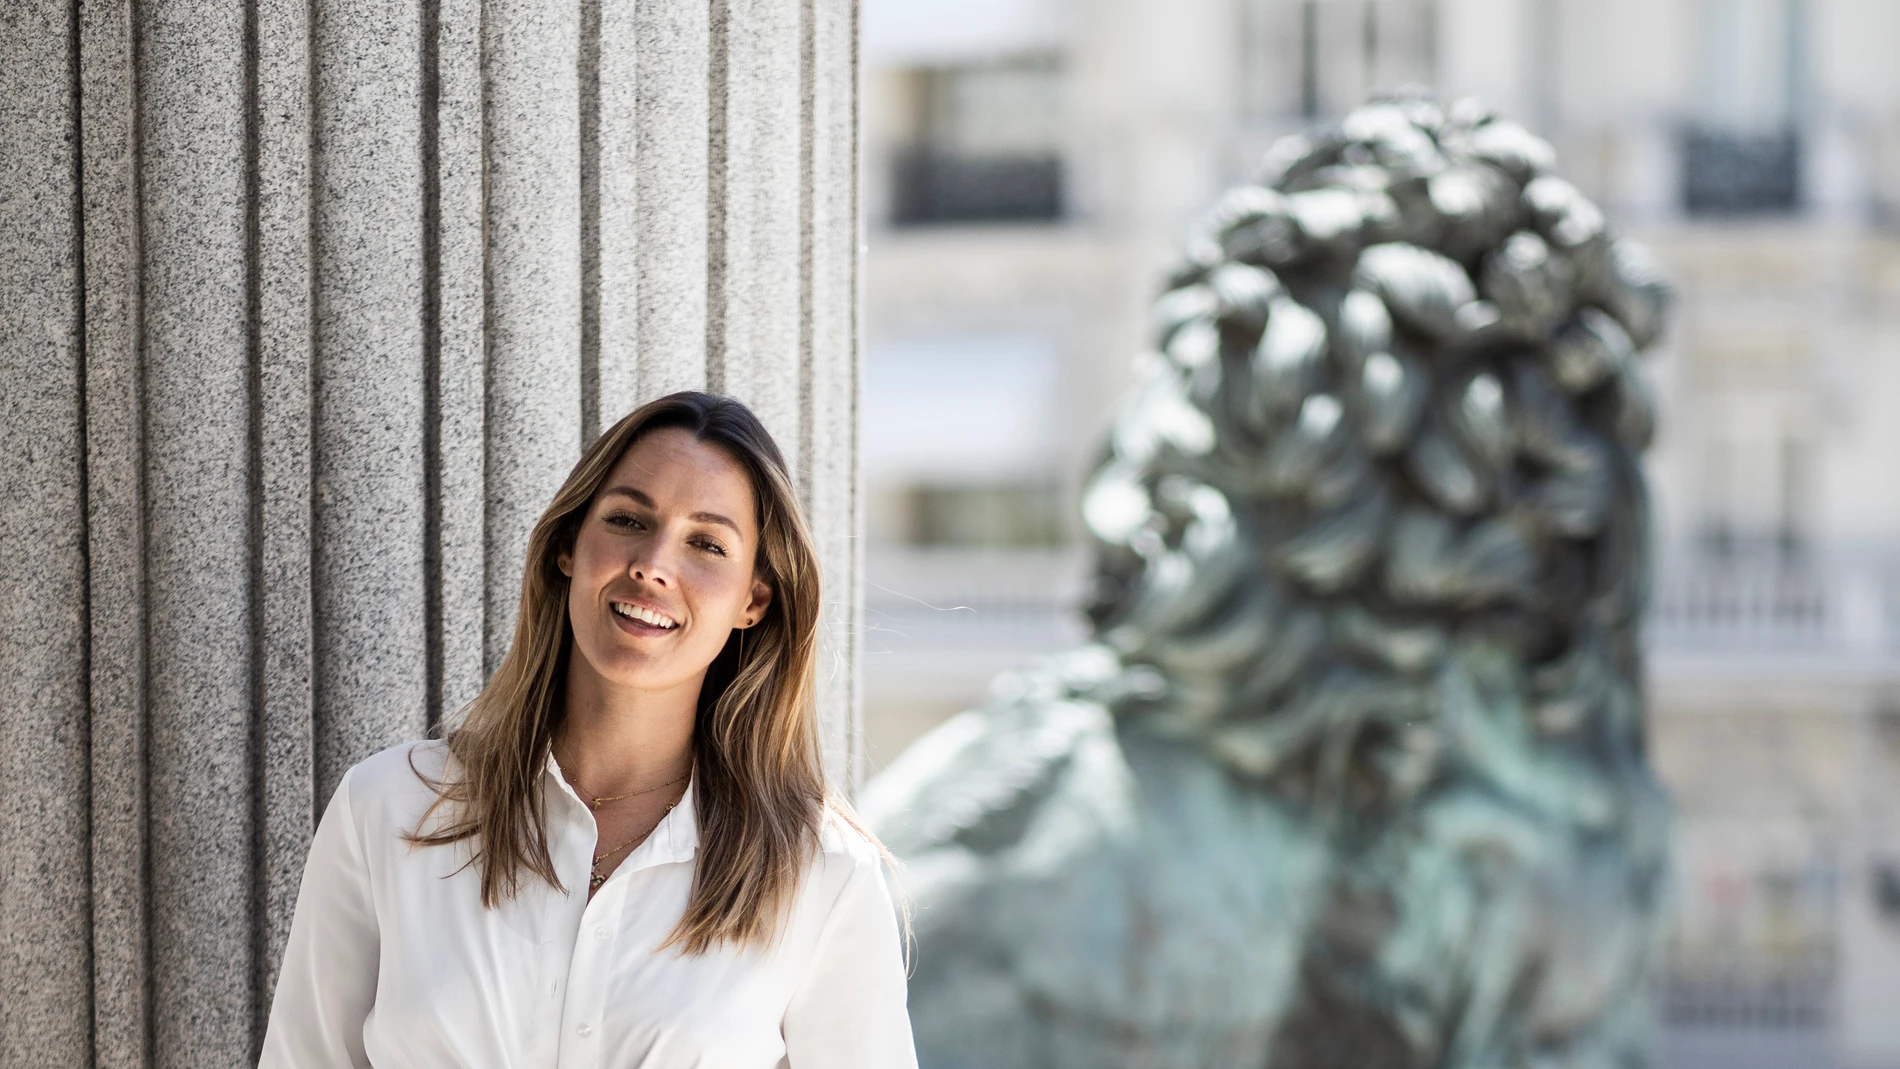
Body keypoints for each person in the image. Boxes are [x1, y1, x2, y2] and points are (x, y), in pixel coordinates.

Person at [259, 391, 917, 1068]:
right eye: (629, 519)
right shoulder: (389, 807)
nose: (653, 564)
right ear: (569, 545)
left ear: (753, 599)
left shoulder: (824, 875)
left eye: (706, 543)